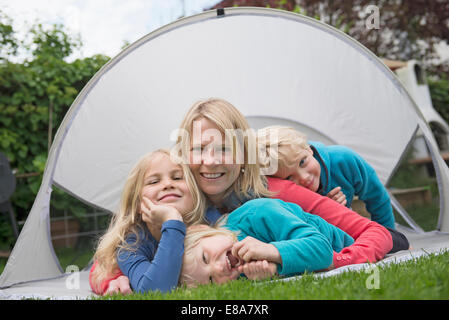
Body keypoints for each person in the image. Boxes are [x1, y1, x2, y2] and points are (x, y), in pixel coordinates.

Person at [91, 98, 395, 295]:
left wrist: (337, 261)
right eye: (199, 149)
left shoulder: (275, 193)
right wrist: (110, 278)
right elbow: (117, 248)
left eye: (224, 148)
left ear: (243, 152)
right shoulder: (178, 195)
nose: (210, 161)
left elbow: (377, 233)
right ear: (184, 155)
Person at [89, 149, 207, 294]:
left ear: (194, 193)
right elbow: (155, 292)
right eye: (154, 181)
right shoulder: (130, 246)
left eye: (177, 178)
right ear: (137, 203)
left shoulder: (208, 224)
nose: (168, 184)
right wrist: (172, 221)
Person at [180, 198, 355, 286]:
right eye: (211, 279)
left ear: (202, 230)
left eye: (205, 257)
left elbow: (323, 252)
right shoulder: (239, 273)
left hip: (343, 246)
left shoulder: (258, 212)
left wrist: (270, 251)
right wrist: (274, 271)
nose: (218, 269)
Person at [259, 125, 396, 230]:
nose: (304, 178)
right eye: (289, 178)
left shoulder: (343, 160)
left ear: (308, 149)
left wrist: (391, 237)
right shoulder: (277, 193)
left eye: (302, 162)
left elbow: (377, 197)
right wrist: (328, 210)